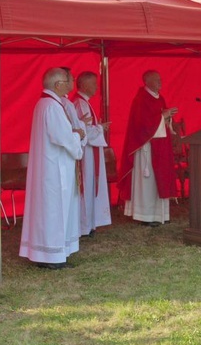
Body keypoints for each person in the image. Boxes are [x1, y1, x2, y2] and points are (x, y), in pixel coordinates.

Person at [19, 67, 85, 269]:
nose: (70, 84)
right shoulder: (51, 106)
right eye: (68, 81)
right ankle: (52, 256)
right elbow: (62, 137)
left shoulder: (45, 104)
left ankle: (47, 253)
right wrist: (78, 135)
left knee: (49, 211)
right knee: (54, 211)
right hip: (55, 169)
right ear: (58, 85)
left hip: (50, 166)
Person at [118, 70, 178, 226]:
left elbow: (161, 120)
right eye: (157, 80)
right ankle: (145, 215)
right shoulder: (141, 99)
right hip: (146, 146)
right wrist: (162, 117)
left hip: (160, 146)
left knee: (159, 179)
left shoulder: (160, 98)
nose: (161, 82)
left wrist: (167, 117)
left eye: (160, 79)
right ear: (147, 81)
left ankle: (159, 214)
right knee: (148, 182)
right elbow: (141, 125)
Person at [72, 71, 112, 237]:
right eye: (94, 84)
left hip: (91, 154)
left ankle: (89, 224)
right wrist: (101, 128)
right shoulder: (80, 104)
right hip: (87, 155)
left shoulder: (84, 103)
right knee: (86, 188)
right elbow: (85, 131)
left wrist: (99, 127)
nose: (96, 87)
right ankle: (84, 226)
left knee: (90, 188)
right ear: (83, 85)